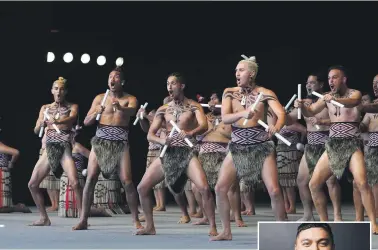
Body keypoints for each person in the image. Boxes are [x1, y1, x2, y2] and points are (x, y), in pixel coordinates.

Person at [212, 56, 287, 241]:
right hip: (237, 146)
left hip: (261, 145)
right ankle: (226, 231)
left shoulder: (265, 92)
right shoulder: (229, 92)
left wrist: (276, 128)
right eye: (236, 70)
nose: (237, 73)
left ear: (251, 73)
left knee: (275, 190)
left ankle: (283, 232)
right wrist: (243, 113)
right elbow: (226, 118)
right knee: (220, 188)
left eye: (241, 70)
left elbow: (281, 113)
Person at [296, 65, 378, 233]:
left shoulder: (353, 94)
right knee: (313, 184)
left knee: (362, 183)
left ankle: (373, 223)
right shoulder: (326, 97)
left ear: (344, 79)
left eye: (334, 77)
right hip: (333, 145)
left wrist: (332, 100)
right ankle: (325, 223)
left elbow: (353, 103)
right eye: (329, 78)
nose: (331, 81)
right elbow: (311, 111)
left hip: (352, 144)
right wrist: (302, 106)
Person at [136, 72, 217, 236]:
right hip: (168, 153)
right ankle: (150, 227)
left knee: (204, 188)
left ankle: (213, 227)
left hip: (186, 153)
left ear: (182, 86)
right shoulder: (163, 109)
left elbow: (204, 126)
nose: (169, 87)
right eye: (167, 84)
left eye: (172, 83)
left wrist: (190, 132)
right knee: (142, 187)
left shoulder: (194, 106)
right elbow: (150, 134)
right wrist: (161, 141)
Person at [73, 66, 141, 230]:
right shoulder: (100, 98)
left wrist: (121, 108)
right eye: (110, 76)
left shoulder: (129, 98)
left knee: (127, 181)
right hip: (100, 141)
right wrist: (96, 111)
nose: (112, 79)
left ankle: (135, 220)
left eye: (116, 77)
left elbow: (132, 111)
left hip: (120, 142)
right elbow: (87, 122)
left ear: (122, 81)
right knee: (91, 178)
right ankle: (83, 219)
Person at [287, 73, 342, 221]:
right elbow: (288, 120)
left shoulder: (328, 99)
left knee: (331, 181)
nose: (308, 85)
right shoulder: (304, 103)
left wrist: (322, 120)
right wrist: (279, 113)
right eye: (307, 83)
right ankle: (308, 215)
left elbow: (339, 120)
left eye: (312, 82)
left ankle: (337, 215)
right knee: (301, 181)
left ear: (320, 84)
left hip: (327, 144)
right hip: (310, 146)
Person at [28, 76, 82, 226]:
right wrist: (40, 124)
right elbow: (36, 130)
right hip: (49, 147)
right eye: (56, 88)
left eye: (62, 89)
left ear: (66, 92)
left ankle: (83, 218)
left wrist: (56, 121)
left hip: (64, 146)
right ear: (52, 91)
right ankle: (44, 218)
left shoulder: (73, 106)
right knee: (32, 184)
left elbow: (71, 119)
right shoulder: (45, 108)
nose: (59, 91)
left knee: (75, 182)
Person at [192, 92, 246, 230]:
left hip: (224, 153)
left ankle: (237, 216)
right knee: (196, 187)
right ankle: (206, 216)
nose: (212, 101)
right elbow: (194, 131)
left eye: (215, 99)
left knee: (231, 187)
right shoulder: (204, 118)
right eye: (210, 99)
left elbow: (232, 133)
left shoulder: (229, 117)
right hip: (205, 154)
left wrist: (219, 129)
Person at [354, 79, 378, 220]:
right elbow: (363, 126)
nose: (374, 85)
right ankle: (372, 212)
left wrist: (356, 105)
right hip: (372, 147)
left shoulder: (370, 107)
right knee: (372, 181)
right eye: (373, 83)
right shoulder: (370, 111)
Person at [58, 125, 88, 218]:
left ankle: (89, 213)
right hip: (65, 178)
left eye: (69, 134)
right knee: (68, 212)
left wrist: (87, 170)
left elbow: (92, 157)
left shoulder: (77, 146)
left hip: (77, 175)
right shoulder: (62, 146)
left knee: (79, 207)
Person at [0, 138, 30, 213]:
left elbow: (16, 152)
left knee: (2, 208)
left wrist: (11, 163)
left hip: (1, 174)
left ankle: (18, 207)